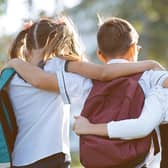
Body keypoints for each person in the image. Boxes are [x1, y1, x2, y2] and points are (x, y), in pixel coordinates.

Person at [4, 16, 166, 168]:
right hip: (51, 156)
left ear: (27, 46)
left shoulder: (10, 77)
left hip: (19, 159)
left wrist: (15, 62)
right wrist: (149, 65)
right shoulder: (57, 66)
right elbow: (102, 74)